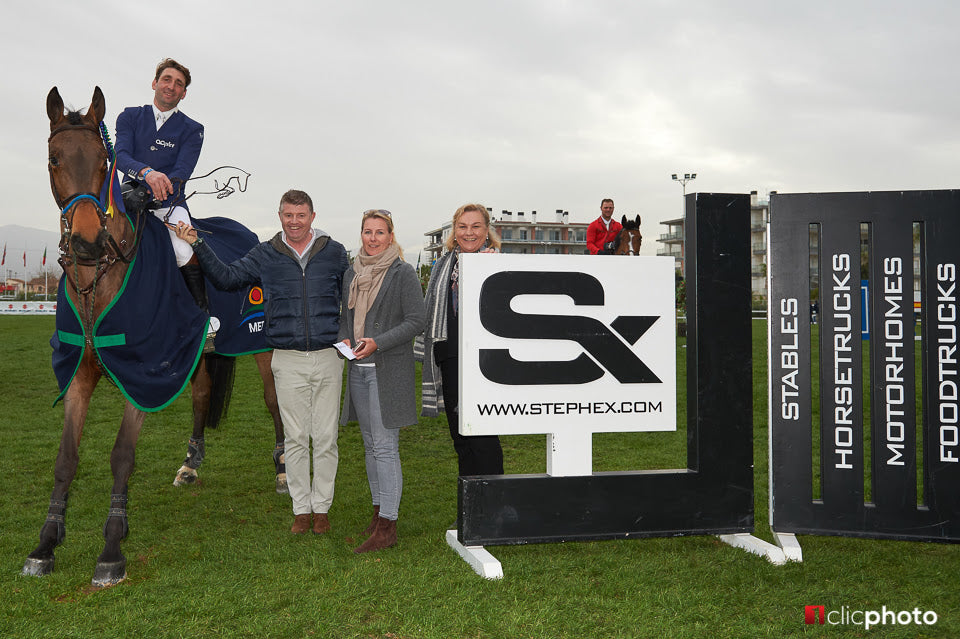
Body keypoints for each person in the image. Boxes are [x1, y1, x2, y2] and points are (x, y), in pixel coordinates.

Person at [175, 189, 348, 535]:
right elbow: (226, 278)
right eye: (288, 215)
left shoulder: (335, 253)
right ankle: (302, 510)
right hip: (285, 358)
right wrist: (198, 244)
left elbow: (354, 293)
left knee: (326, 438)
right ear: (280, 217)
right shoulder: (266, 254)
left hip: (329, 357)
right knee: (297, 438)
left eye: (301, 215)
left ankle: (322, 507)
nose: (294, 222)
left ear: (312, 217)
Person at [338, 210, 425, 553]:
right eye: (367, 232)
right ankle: (378, 515)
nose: (373, 238)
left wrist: (379, 342)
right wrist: (346, 338)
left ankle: (388, 525)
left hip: (387, 370)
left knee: (386, 448)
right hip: (358, 370)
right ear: (361, 234)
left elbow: (417, 320)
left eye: (380, 232)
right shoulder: (352, 272)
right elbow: (345, 318)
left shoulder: (402, 273)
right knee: (371, 446)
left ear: (391, 236)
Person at [115, 58, 211, 321]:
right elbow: (119, 155)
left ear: (184, 93)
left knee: (184, 250)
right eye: (167, 79)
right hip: (127, 198)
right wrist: (147, 173)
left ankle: (202, 318)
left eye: (179, 84)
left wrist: (160, 187)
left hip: (169, 205)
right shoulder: (130, 116)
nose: (171, 86)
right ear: (155, 82)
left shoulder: (193, 129)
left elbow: (182, 171)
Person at [421, 203, 504, 476]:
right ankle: (472, 513)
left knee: (483, 438)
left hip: (485, 363)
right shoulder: (443, 265)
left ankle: (493, 510)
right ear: (454, 231)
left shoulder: (498, 263)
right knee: (461, 439)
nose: (469, 233)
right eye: (463, 226)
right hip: (450, 358)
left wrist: (492, 268)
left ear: (487, 230)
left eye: (476, 226)